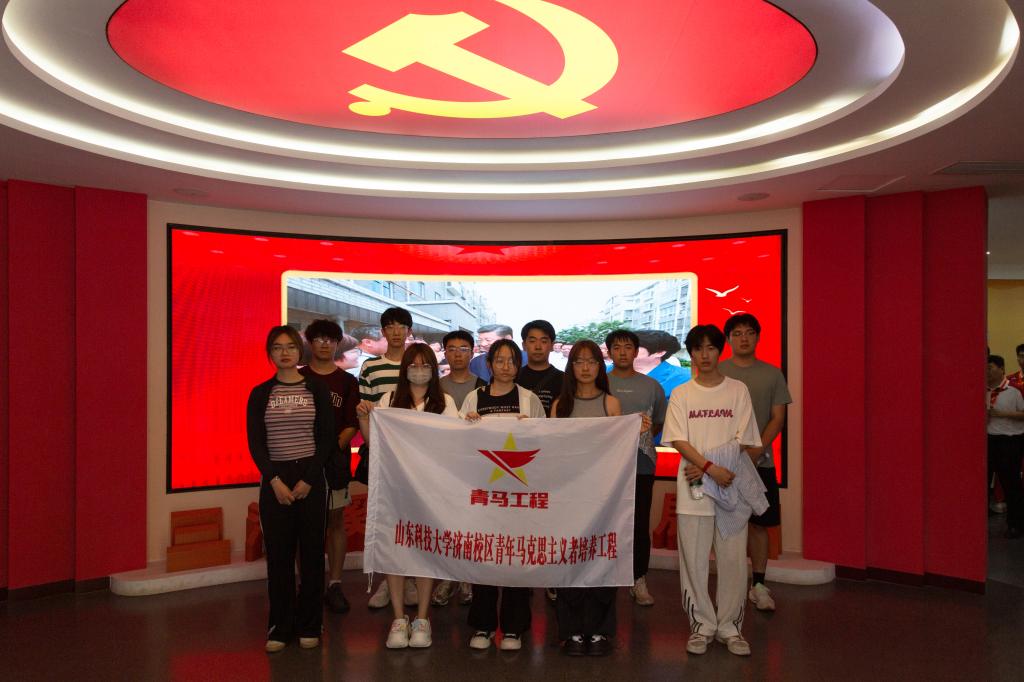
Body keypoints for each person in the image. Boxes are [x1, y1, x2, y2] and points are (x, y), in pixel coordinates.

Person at [662, 324, 761, 657]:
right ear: (691, 353)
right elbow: (678, 439)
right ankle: (701, 625)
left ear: (720, 351)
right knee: (694, 561)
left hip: (730, 485)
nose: (704, 355)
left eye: (711, 348)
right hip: (694, 487)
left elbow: (745, 438)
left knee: (733, 561)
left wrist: (713, 467)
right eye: (698, 349)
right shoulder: (682, 393)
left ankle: (730, 627)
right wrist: (707, 468)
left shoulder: (737, 390)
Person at [357, 343, 459, 648]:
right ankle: (399, 619)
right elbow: (374, 443)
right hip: (396, 489)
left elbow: (456, 444)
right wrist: (364, 418)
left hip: (431, 490)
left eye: (425, 365)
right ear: (404, 370)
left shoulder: (445, 402)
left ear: (433, 369)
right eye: (413, 365)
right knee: (395, 550)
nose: (419, 370)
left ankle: (422, 619)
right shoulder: (389, 400)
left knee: (425, 550)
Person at [246, 325, 334, 653]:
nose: (284, 353)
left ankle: (311, 623)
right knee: (279, 558)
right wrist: (274, 481)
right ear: (270, 354)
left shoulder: (317, 388)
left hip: (311, 476)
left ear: (300, 351)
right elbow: (256, 443)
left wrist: (309, 479)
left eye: (290, 346)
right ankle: (280, 626)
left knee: (311, 556)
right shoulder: (260, 393)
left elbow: (326, 438)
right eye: (277, 347)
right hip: (276, 479)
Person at [461, 339, 546, 651]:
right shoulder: (474, 398)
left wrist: (530, 429)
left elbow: (545, 443)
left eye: (512, 361)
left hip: (518, 493)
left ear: (518, 365)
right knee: (484, 554)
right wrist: (467, 425)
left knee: (515, 557)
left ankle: (514, 627)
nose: (506, 366)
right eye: (499, 360)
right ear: (489, 364)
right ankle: (483, 625)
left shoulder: (529, 400)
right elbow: (457, 443)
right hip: (483, 492)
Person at [550, 340, 623, 657]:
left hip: (605, 497)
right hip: (569, 496)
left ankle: (600, 632)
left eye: (591, 361)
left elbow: (618, 450)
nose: (585, 367)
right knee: (570, 561)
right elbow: (553, 451)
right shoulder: (560, 406)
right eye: (578, 361)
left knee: (602, 561)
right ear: (571, 367)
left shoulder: (611, 403)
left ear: (600, 366)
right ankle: (572, 632)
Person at [719, 313, 792, 611]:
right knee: (726, 525)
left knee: (760, 524)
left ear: (758, 337)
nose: (744, 338)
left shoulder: (772, 374)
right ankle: (730, 583)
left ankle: (759, 585)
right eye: (737, 333)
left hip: (761, 463)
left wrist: (754, 451)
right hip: (722, 464)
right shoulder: (718, 372)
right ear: (728, 339)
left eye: (749, 332)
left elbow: (778, 418)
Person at [359, 308, 418, 610]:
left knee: (414, 517)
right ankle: (388, 580)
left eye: (401, 326)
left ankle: (411, 578)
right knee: (386, 519)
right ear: (383, 331)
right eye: (390, 326)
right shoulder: (371, 367)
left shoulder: (418, 364)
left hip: (416, 458)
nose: (396, 332)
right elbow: (367, 411)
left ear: (409, 331)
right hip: (384, 455)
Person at [300, 319, 360, 614]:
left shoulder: (347, 382)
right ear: (310, 343)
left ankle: (334, 584)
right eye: (319, 339)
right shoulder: (297, 377)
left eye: (330, 339)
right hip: (300, 463)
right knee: (304, 526)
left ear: (337, 344)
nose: (324, 344)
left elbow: (351, 423)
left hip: (334, 463)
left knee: (336, 521)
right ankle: (307, 585)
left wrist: (327, 451)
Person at [605, 329, 665, 607]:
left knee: (639, 523)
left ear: (635, 351)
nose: (622, 352)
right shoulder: (600, 382)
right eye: (616, 347)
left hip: (642, 464)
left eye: (628, 347)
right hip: (606, 467)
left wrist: (640, 437)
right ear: (609, 352)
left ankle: (638, 578)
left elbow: (659, 423)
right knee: (605, 521)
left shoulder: (652, 386)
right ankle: (604, 576)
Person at [433, 329, 485, 608]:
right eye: (451, 349)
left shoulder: (484, 387)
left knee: (472, 522)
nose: (457, 354)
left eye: (463, 349)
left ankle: (468, 577)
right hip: (443, 464)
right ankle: (447, 576)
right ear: (445, 352)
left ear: (472, 352)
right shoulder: (435, 387)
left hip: (476, 466)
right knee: (446, 522)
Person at [987, 355, 1024, 538]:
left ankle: (1015, 524)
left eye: (990, 368)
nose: (987, 372)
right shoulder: (983, 390)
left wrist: (1002, 414)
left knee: (1011, 484)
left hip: (1009, 442)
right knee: (982, 484)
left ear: (1001, 369)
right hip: (988, 440)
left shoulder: (1014, 390)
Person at [517, 320, 564, 416]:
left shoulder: (564, 379)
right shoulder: (514, 377)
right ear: (524, 345)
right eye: (532, 341)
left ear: (552, 346)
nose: (538, 347)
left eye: (544, 341)